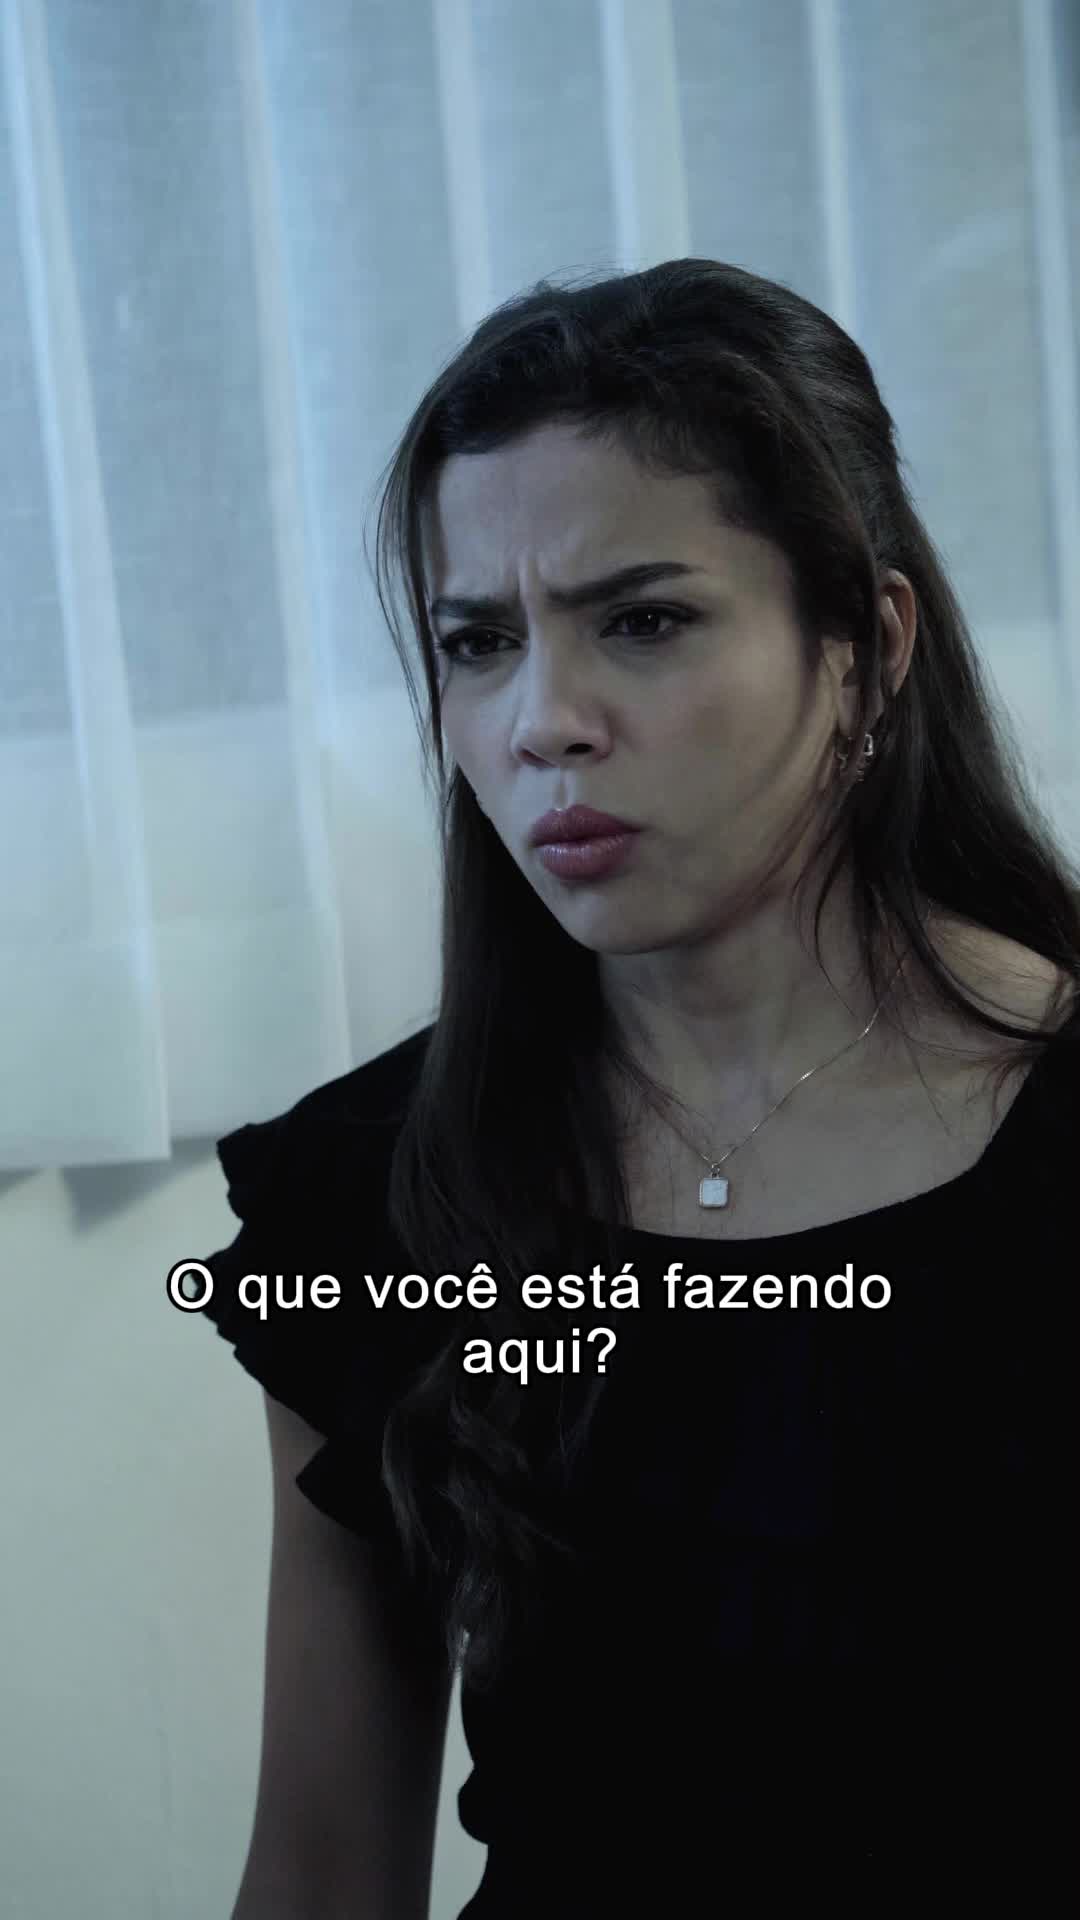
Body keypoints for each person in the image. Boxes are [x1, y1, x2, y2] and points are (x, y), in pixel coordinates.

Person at [196, 259, 1080, 1917]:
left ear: (866, 647)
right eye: (478, 642)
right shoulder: (378, 1193)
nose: (545, 721)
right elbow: (319, 1876)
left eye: (645, 622)